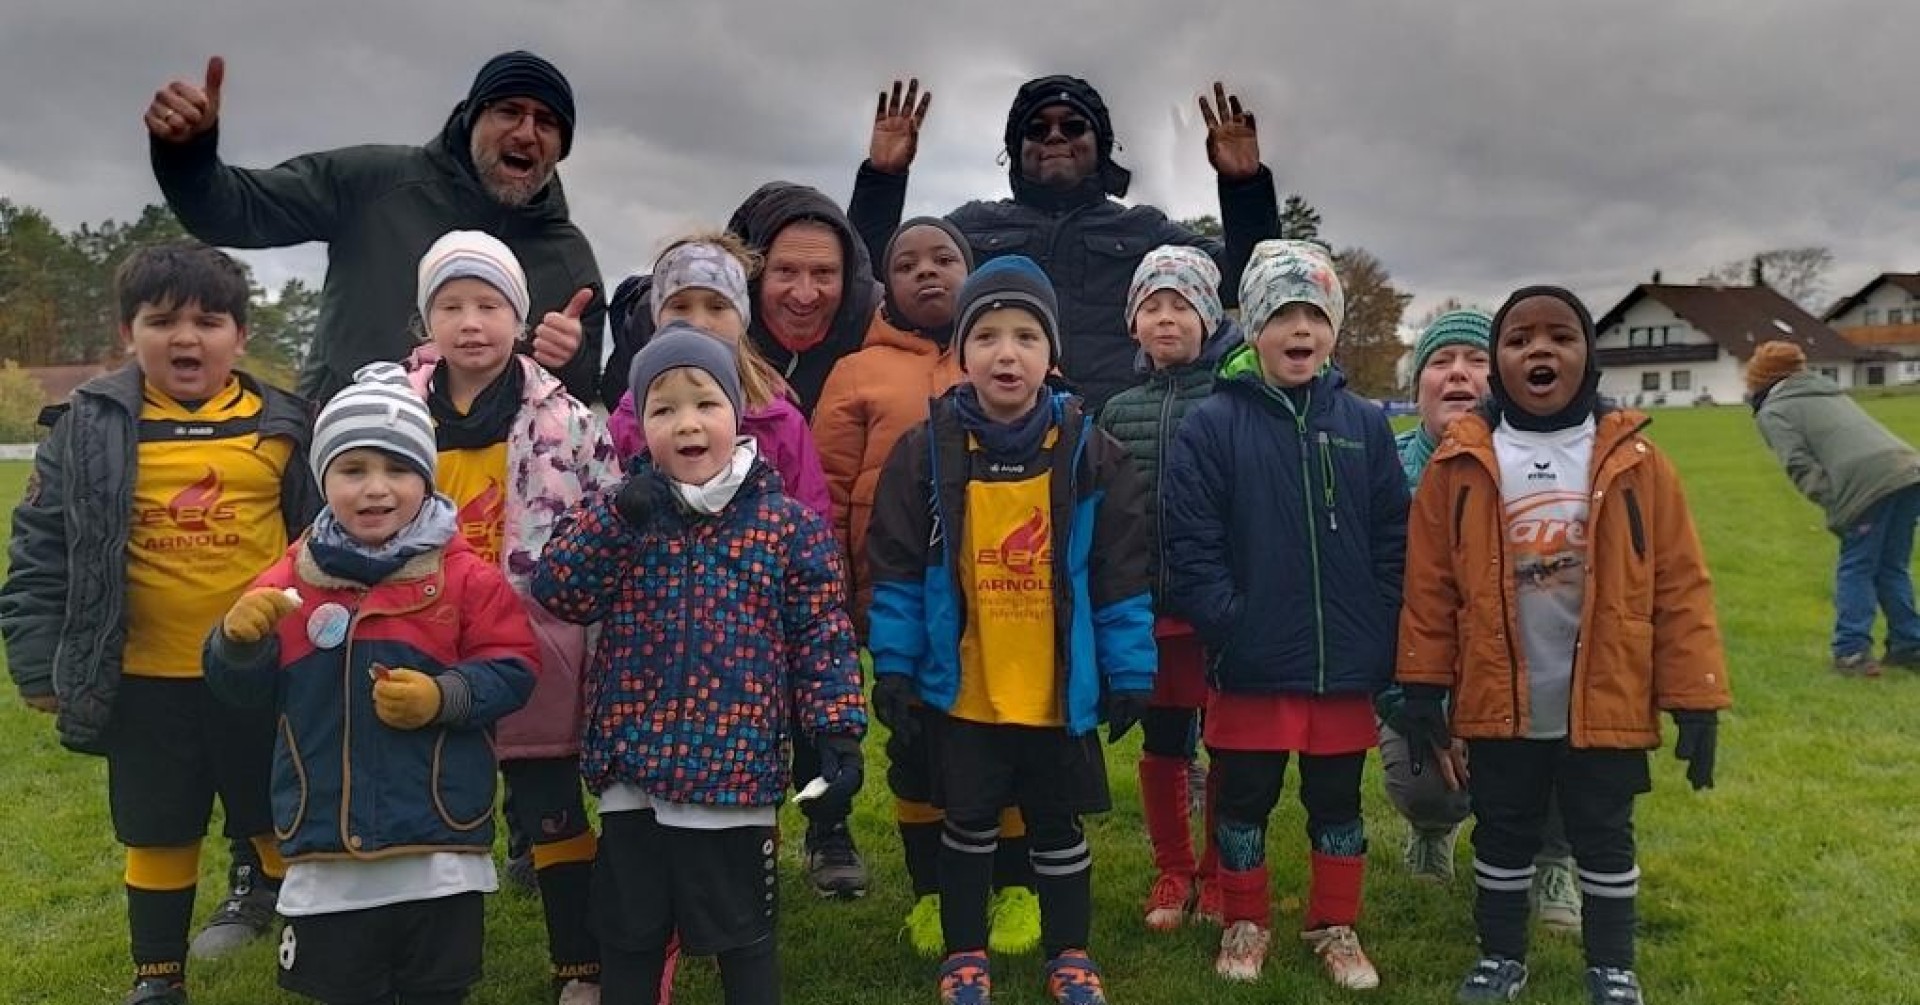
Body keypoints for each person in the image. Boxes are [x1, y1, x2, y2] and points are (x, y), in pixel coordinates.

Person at [0, 241, 320, 1005]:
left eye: (208, 320)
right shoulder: (87, 426)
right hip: (143, 678)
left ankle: (308, 951)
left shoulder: (284, 425)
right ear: (126, 332)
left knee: (279, 815)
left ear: (240, 337)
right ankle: (157, 975)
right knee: (159, 827)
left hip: (261, 676)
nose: (186, 337)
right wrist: (38, 655)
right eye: (162, 320)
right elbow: (41, 546)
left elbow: (321, 544)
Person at [1394, 287, 1729, 1005]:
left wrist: (1696, 696)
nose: (1538, 351)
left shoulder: (1639, 462)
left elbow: (1680, 584)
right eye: (1518, 340)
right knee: (1503, 830)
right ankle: (1499, 957)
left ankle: (1612, 966)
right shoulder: (1460, 464)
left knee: (1605, 833)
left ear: (1589, 356)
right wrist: (1423, 685)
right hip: (1500, 694)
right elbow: (1429, 589)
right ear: (1499, 362)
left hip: (1604, 693)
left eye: (1559, 337)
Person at [533, 324, 866, 1005]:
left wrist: (837, 730)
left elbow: (822, 635)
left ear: (736, 415)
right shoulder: (624, 513)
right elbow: (560, 590)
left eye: (704, 403)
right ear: (641, 423)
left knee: (742, 937)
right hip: (633, 772)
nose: (687, 423)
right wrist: (615, 521)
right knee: (629, 935)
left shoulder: (786, 525)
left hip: (733, 777)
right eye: (664, 408)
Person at [866, 256, 1156, 1005]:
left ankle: (1070, 952)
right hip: (967, 688)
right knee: (967, 823)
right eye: (987, 334)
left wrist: (1129, 671)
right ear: (961, 352)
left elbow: (1121, 578)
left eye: (1026, 335)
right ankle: (966, 953)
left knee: (1057, 826)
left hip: (1057, 687)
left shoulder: (1093, 453)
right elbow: (897, 569)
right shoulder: (922, 452)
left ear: (1050, 354)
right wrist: (894, 666)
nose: (1006, 352)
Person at [203, 362, 538, 1005]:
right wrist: (235, 645)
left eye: (399, 470)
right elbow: (238, 696)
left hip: (439, 851)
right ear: (323, 478)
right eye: (353, 470)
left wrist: (444, 697)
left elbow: (514, 669)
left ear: (426, 475)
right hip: (326, 852)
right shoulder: (287, 582)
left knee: (434, 991)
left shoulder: (467, 578)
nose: (376, 489)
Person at [1162, 240, 1405, 990]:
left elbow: (1394, 537)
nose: (1300, 329)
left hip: (1342, 666)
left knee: (1337, 802)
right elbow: (1190, 545)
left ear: (1333, 328)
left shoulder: (1364, 424)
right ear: (1255, 326)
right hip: (1253, 663)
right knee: (1245, 798)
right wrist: (1232, 621)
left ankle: (1335, 923)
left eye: (1315, 314)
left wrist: (1378, 617)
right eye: (1282, 314)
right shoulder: (1212, 424)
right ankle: (1245, 918)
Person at [812, 218, 1044, 957]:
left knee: (1003, 751)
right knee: (917, 753)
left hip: (1005, 609)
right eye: (906, 262)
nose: (927, 272)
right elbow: (830, 490)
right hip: (898, 604)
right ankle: (932, 894)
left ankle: (1014, 888)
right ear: (886, 284)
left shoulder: (1010, 362)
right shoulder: (856, 371)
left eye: (944, 258)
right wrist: (839, 597)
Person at [399, 231, 619, 1005]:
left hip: (535, 652)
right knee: (444, 815)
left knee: (554, 812)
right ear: (427, 319)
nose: (471, 322)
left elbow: (608, 514)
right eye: (451, 305)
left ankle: (578, 964)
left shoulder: (565, 419)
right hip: (426, 646)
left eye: (489, 304)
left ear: (517, 317)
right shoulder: (394, 410)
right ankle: (432, 967)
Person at [145, 51, 605, 404]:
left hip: (480, 491)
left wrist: (572, 358)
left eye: (546, 122)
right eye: (508, 111)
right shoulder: (373, 183)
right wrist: (188, 155)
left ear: (560, 148)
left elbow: (578, 402)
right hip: (338, 463)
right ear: (471, 121)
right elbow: (233, 211)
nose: (526, 132)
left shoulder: (568, 258)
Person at [848, 77, 1280, 409]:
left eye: (1073, 127)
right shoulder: (971, 226)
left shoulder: (1144, 230)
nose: (1055, 136)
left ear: (1100, 147)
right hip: (996, 441)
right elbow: (877, 275)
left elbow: (1249, 281)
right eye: (1037, 130)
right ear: (1017, 152)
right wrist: (884, 178)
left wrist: (1243, 185)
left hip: (1116, 444)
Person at [1378, 308, 1584, 930]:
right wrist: (1422, 709)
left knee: (1569, 746)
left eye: (1476, 362)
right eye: (1441, 362)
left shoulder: (1545, 468)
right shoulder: (1382, 468)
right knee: (1425, 785)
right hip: (1419, 682)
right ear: (1418, 386)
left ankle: (1554, 856)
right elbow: (1370, 605)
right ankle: (1433, 827)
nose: (1459, 375)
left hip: (1531, 681)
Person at [1093, 246, 1239, 932]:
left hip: (1219, 610)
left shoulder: (1234, 402)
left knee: (1228, 744)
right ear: (1134, 323)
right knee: (1165, 741)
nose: (1166, 318)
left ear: (1209, 317)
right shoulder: (1118, 411)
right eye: (1152, 306)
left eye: (1180, 304)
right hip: (1152, 615)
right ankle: (1172, 867)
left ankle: (1217, 872)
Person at [602, 185, 879, 418]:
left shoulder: (870, 325)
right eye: (785, 271)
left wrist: (884, 179)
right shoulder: (660, 322)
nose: (804, 294)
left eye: (824, 273)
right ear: (753, 277)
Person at [606, 235, 832, 518]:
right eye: (680, 306)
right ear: (656, 317)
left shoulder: (781, 423)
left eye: (717, 306)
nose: (699, 321)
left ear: (743, 318)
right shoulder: (626, 421)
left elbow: (814, 522)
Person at [1746, 339, 1920, 676]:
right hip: (1908, 471)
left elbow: (1798, 464)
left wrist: (1835, 501)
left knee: (1856, 566)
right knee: (1891, 566)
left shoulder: (1775, 410)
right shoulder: (1828, 391)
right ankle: (1909, 644)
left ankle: (1852, 650)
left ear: (1761, 377)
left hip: (1868, 483)